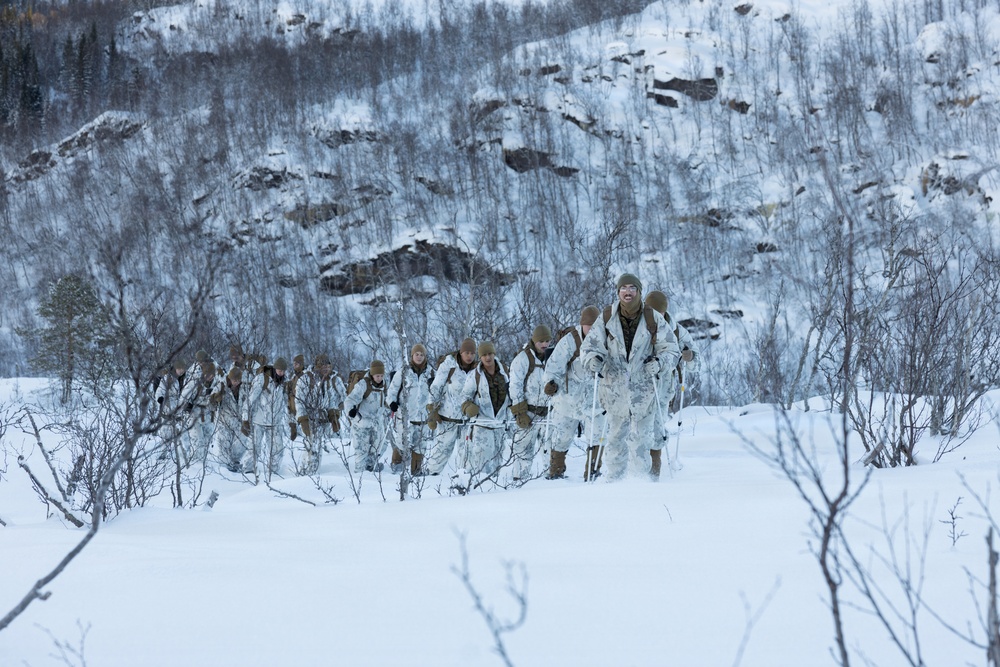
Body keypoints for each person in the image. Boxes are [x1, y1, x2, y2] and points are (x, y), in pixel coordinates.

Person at [579, 273, 680, 480]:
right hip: (614, 392)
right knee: (615, 441)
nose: (628, 292)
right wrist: (592, 360)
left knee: (642, 441)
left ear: (639, 292)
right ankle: (614, 486)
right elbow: (589, 347)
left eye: (632, 288)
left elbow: (672, 350)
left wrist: (660, 363)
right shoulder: (607, 317)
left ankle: (640, 486)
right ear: (618, 292)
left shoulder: (653, 318)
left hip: (644, 392)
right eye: (623, 288)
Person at [642, 291, 698, 479]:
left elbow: (695, 361)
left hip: (663, 387)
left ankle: (654, 475)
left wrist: (689, 357)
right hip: (637, 387)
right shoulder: (637, 324)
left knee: (657, 429)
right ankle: (631, 476)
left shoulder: (676, 331)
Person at [541, 306, 602, 479]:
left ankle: (592, 473)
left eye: (594, 325)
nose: (590, 329)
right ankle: (556, 471)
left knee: (596, 436)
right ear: (582, 324)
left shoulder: (605, 339)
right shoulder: (569, 341)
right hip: (567, 398)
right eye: (587, 325)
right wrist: (550, 383)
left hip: (595, 398)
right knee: (562, 436)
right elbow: (554, 365)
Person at [458, 341, 511, 489]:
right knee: (481, 466)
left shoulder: (505, 372)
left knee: (497, 465)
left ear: (494, 354)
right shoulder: (475, 375)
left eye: (490, 354)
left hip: (499, 425)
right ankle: (479, 493)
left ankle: (494, 494)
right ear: (480, 357)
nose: (487, 358)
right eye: (484, 355)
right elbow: (464, 397)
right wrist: (468, 407)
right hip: (482, 425)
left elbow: (512, 395)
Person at [424, 338, 478, 476]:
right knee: (442, 450)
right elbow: (436, 387)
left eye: (472, 353)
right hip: (447, 418)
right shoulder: (449, 365)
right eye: (467, 352)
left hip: (467, 420)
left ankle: (464, 479)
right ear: (461, 352)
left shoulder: (478, 368)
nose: (470, 356)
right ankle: (429, 476)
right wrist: (431, 409)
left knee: (467, 452)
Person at [507, 325, 553, 481]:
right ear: (534, 340)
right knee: (523, 450)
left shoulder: (553, 357)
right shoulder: (522, 359)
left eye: (547, 340)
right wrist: (519, 412)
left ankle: (553, 481)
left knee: (551, 450)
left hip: (549, 413)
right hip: (529, 413)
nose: (545, 344)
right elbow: (515, 385)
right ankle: (519, 480)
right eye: (541, 341)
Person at [386, 344, 436, 475]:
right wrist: (392, 403)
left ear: (425, 356)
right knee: (402, 444)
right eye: (416, 354)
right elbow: (392, 391)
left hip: (423, 417)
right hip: (405, 416)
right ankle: (396, 469)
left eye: (421, 355)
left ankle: (416, 471)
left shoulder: (431, 373)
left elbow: (438, 392)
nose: (419, 357)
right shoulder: (403, 372)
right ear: (412, 356)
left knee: (421, 445)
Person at [293, 354, 346, 475]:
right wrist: (303, 419)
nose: (326, 369)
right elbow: (299, 400)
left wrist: (334, 414)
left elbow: (341, 398)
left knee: (317, 447)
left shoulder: (335, 379)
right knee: (312, 446)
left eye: (328, 366)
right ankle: (306, 474)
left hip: (325, 420)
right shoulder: (306, 379)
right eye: (323, 366)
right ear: (317, 367)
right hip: (310, 419)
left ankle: (310, 473)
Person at [244, 356, 290, 479]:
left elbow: (287, 401)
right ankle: (248, 471)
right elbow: (250, 400)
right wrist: (245, 418)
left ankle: (273, 472)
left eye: (283, 371)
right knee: (254, 448)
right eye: (279, 370)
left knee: (278, 449)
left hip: (275, 422)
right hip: (259, 420)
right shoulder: (262, 379)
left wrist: (291, 420)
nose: (281, 373)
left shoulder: (284, 382)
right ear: (274, 369)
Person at [344, 360, 391, 472]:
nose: (379, 378)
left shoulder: (385, 384)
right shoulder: (363, 384)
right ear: (372, 374)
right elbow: (349, 400)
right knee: (361, 450)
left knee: (380, 445)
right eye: (377, 375)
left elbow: (387, 399)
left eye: (381, 375)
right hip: (362, 422)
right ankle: (359, 476)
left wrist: (392, 404)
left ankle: (370, 467)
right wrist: (351, 411)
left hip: (377, 421)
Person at [211, 366, 252, 474]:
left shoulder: (245, 387)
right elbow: (211, 403)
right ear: (230, 378)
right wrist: (217, 398)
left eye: (238, 380)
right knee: (224, 443)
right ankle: (224, 469)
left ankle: (235, 462)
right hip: (225, 420)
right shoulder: (221, 386)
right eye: (234, 380)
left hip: (239, 420)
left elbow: (249, 402)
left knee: (242, 441)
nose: (236, 382)